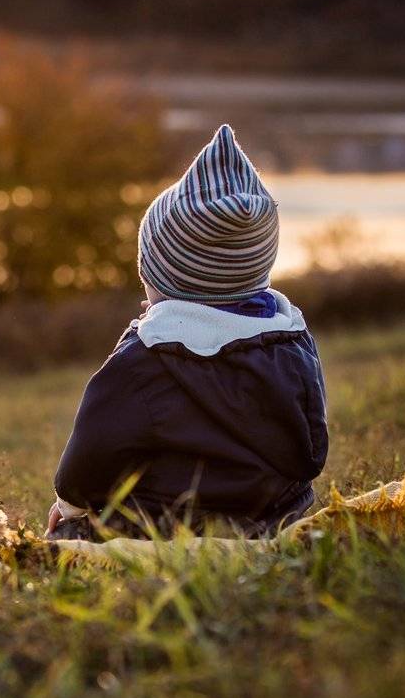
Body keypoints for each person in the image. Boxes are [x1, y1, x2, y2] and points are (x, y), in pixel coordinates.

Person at [45, 124, 328, 540]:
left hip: (173, 526)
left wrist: (69, 505)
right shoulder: (291, 339)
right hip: (279, 516)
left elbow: (92, 455)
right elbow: (311, 451)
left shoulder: (147, 358)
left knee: (69, 539)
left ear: (170, 278)